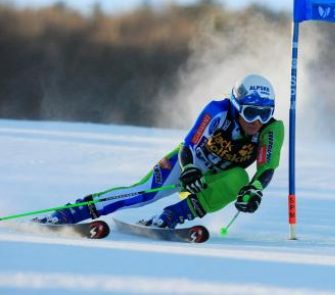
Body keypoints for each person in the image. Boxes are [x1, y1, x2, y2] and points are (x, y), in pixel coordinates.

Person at [35, 74, 284, 229]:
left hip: (214, 179)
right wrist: (189, 170)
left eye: (265, 113)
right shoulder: (218, 111)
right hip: (188, 164)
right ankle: (72, 211)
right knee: (143, 194)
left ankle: (173, 216)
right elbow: (189, 145)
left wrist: (255, 191)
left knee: (240, 178)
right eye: (251, 112)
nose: (257, 120)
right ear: (236, 105)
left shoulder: (270, 130)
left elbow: (266, 168)